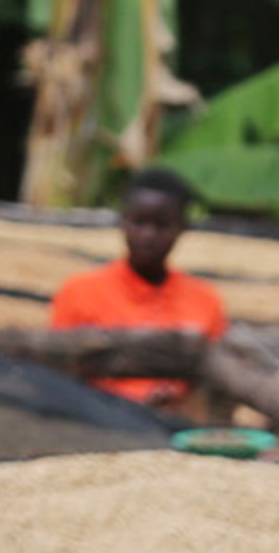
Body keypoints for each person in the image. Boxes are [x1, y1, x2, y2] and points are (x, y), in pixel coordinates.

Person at [46, 162, 228, 408]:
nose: (148, 235)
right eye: (139, 222)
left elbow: (213, 384)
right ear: (123, 221)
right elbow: (58, 378)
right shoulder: (79, 292)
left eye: (161, 225)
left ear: (182, 228)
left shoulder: (205, 301)